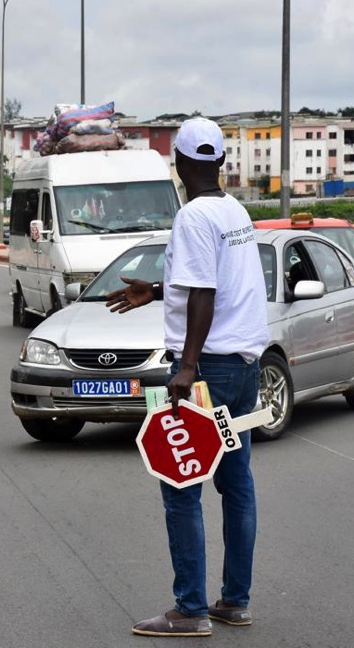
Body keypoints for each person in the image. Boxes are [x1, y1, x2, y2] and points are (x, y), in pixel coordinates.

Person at [105, 118, 269, 638]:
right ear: (221, 162)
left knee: (182, 486)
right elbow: (203, 281)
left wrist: (188, 366)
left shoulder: (193, 218)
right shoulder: (233, 211)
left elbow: (204, 294)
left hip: (209, 370)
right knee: (237, 483)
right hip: (244, 366)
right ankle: (233, 602)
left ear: (177, 163)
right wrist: (154, 292)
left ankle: (191, 609)